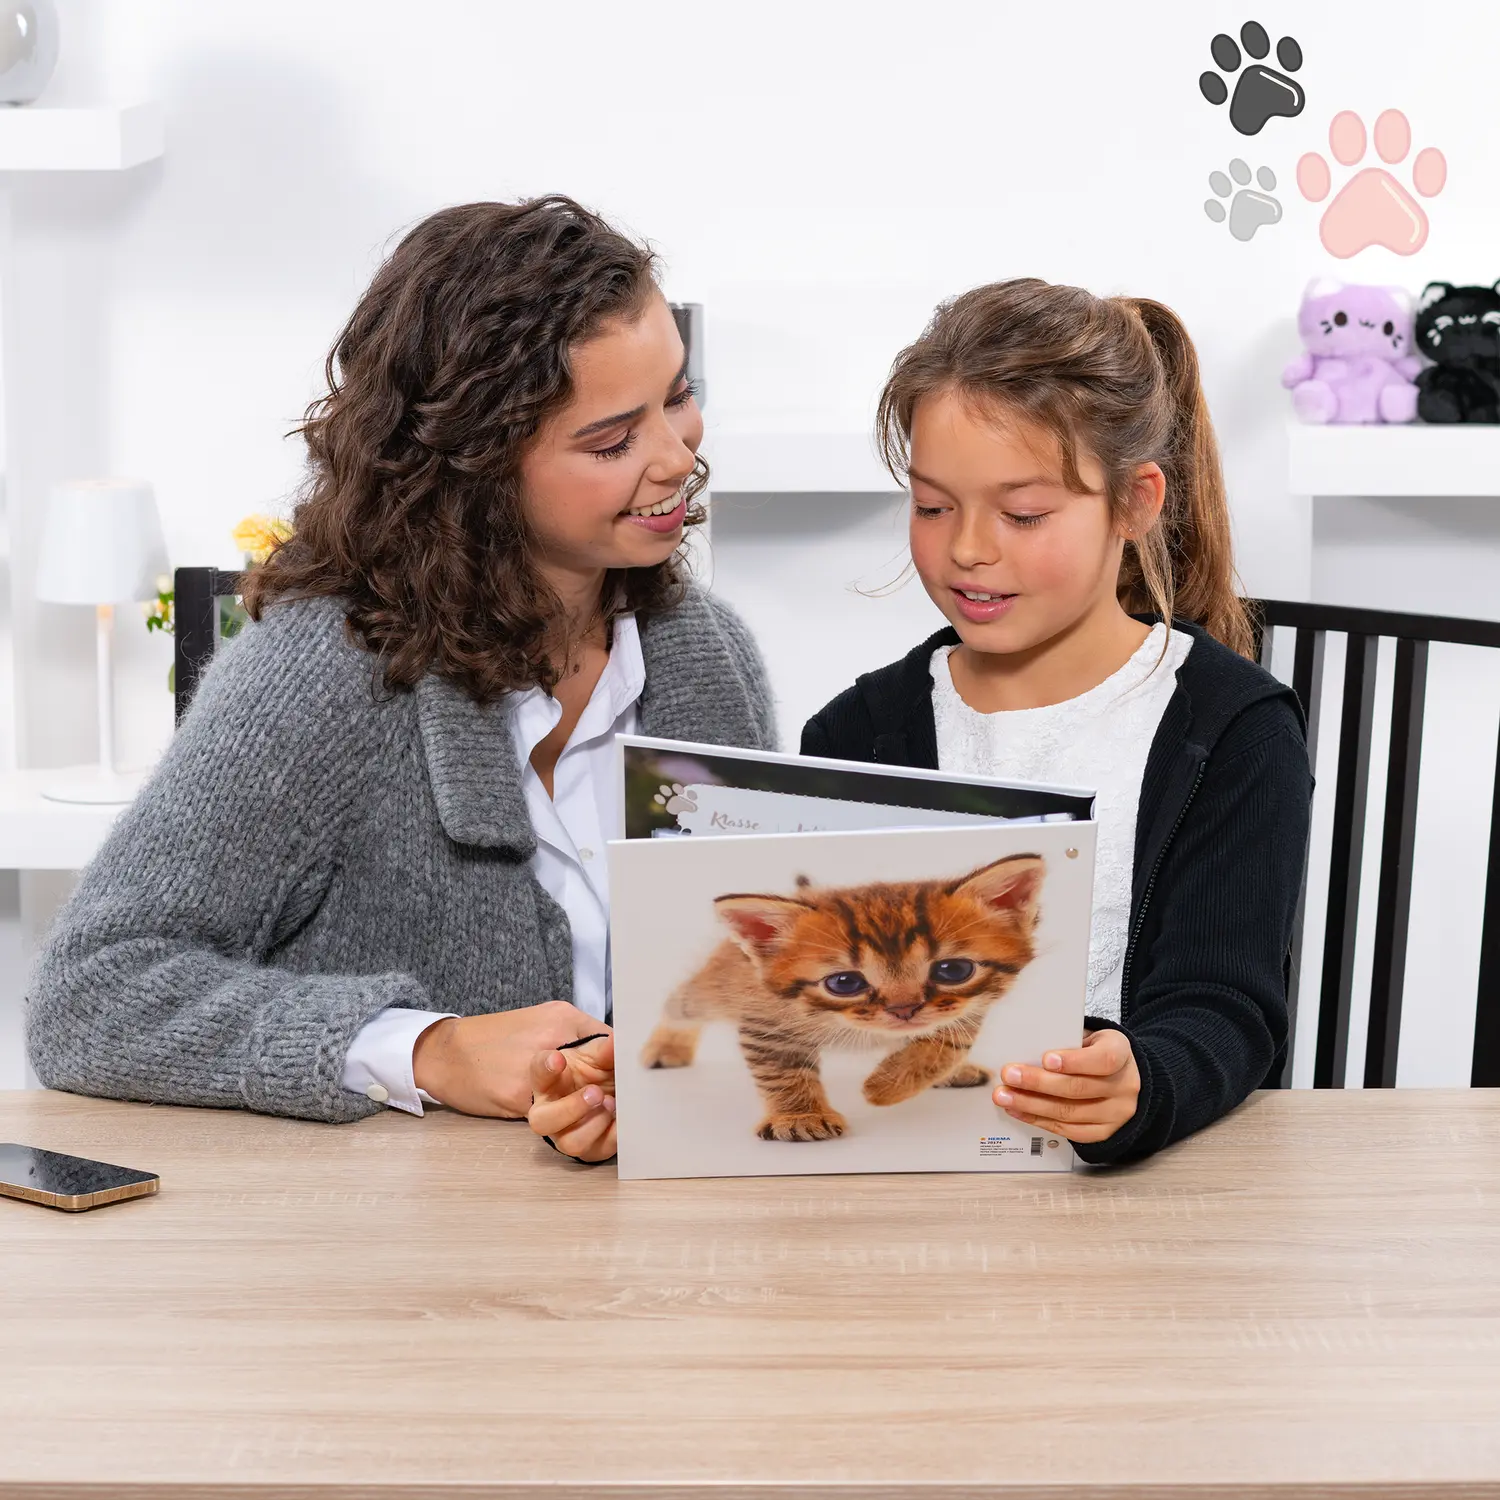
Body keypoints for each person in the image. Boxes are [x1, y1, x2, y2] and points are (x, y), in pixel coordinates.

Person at [28, 196, 774, 1153]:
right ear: (477, 463)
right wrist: (428, 1050)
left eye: (678, 395)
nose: (677, 455)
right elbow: (92, 992)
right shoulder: (321, 676)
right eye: (611, 440)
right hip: (393, 1237)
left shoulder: (708, 655)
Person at [800, 278, 1313, 1166]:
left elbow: (1225, 1006)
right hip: (898, 1185)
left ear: (1135, 502)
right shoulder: (853, 735)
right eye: (932, 506)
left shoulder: (1234, 731)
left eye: (1024, 514)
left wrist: (1141, 1082)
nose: (968, 548)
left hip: (1133, 1198)